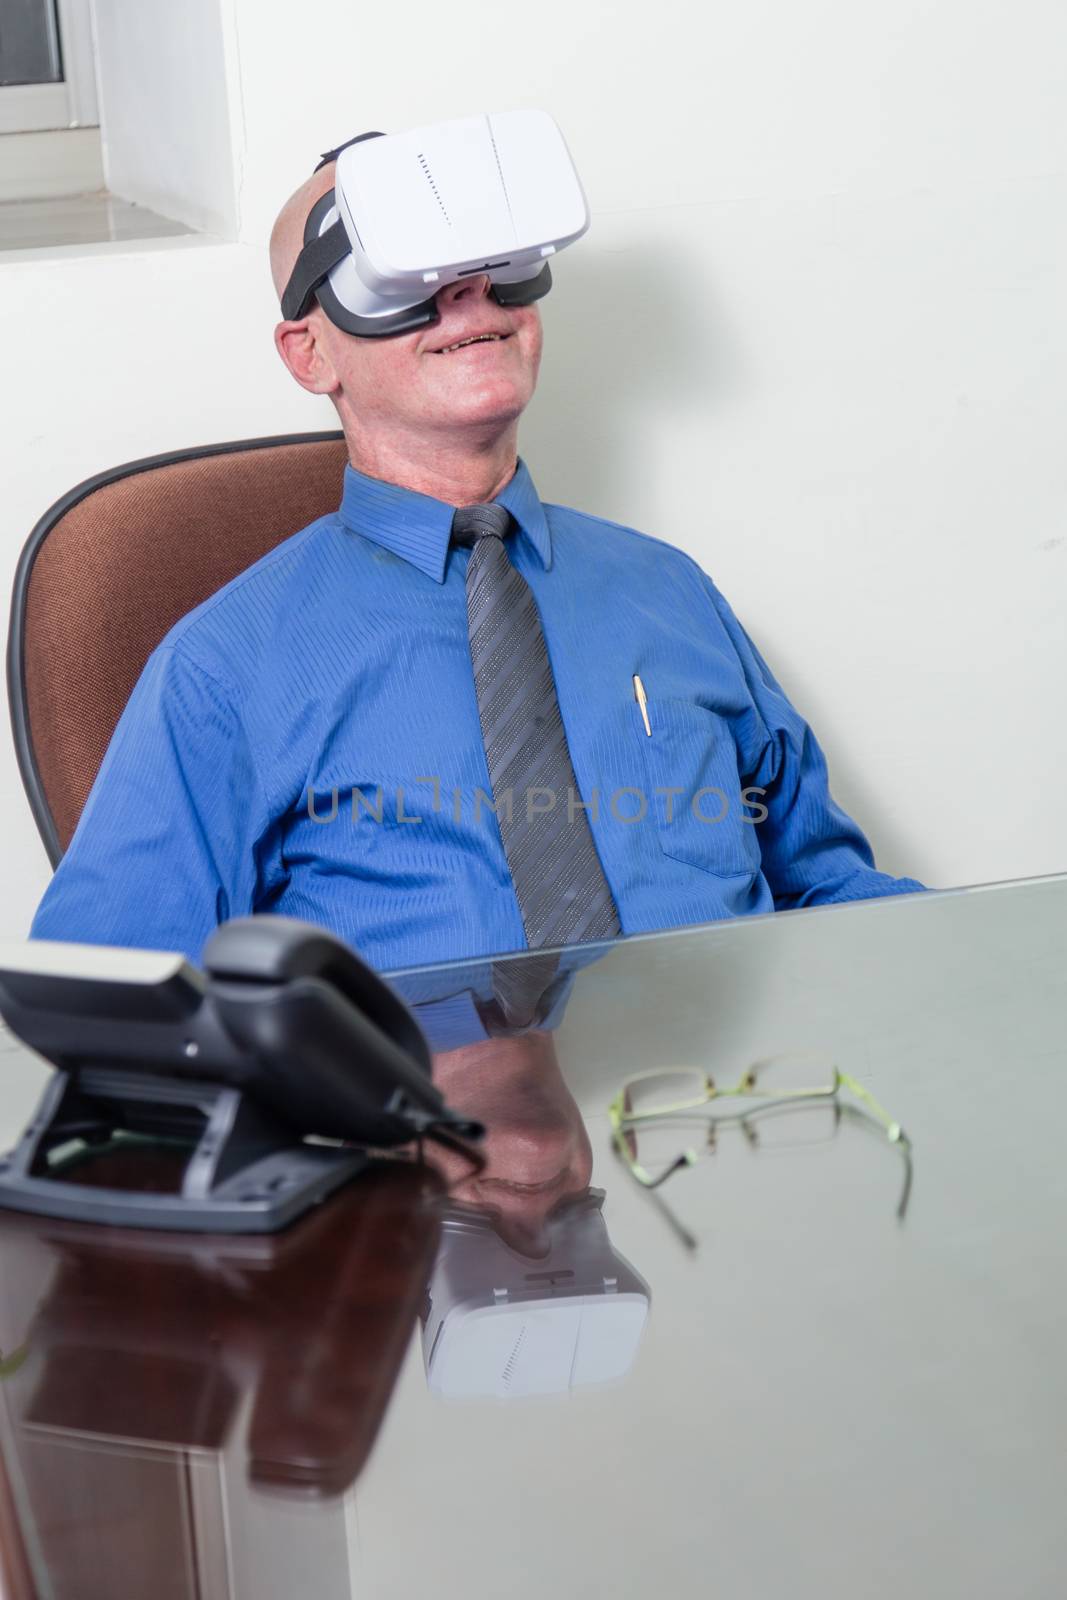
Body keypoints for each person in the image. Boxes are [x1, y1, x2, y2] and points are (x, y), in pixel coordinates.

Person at [30, 146, 926, 971]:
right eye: (404, 281)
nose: (470, 301)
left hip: (724, 1115)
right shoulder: (220, 667)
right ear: (309, 352)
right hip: (420, 1133)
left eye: (493, 272)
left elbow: (830, 896)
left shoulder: (667, 590)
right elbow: (109, 1000)